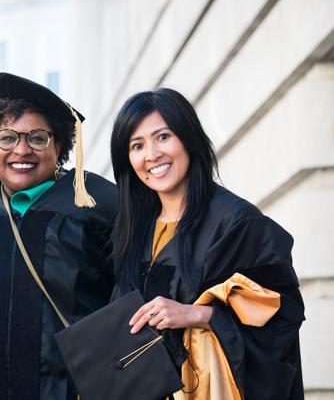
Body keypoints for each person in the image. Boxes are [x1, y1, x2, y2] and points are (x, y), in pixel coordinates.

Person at [0, 72, 118, 399]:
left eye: (37, 138)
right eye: (7, 138)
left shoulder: (98, 206)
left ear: (58, 144)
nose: (22, 150)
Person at [109, 88, 304, 399]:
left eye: (163, 137)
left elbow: (283, 312)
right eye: (137, 145)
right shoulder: (134, 230)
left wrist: (199, 314)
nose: (152, 155)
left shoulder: (235, 223)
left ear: (188, 138)